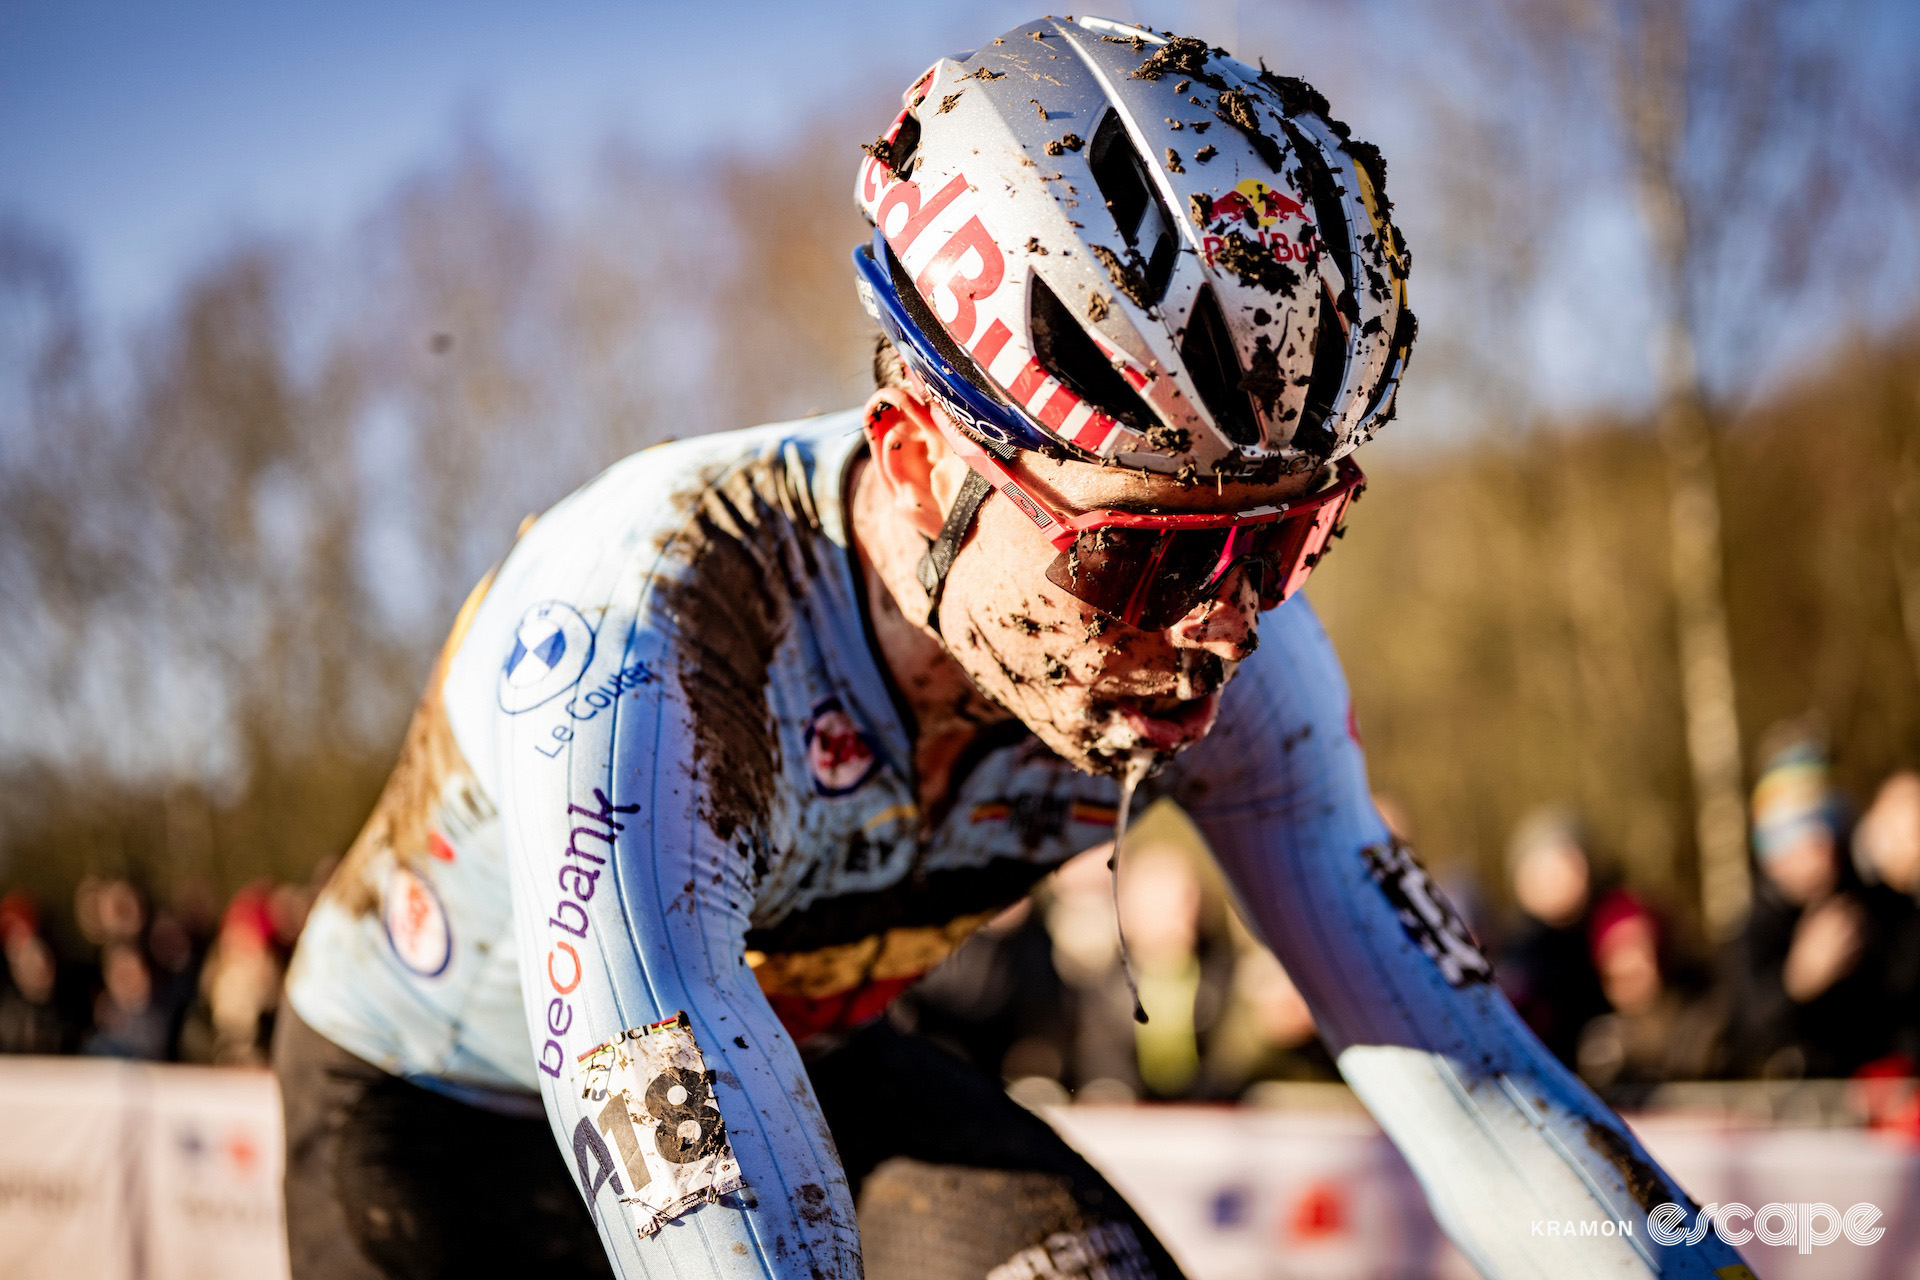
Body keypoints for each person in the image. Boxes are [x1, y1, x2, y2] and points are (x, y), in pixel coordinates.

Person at [275, 18, 1746, 1280]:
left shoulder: (1234, 660)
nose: (1223, 622)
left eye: (1289, 539)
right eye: (1144, 554)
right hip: (432, 1112)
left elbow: (1474, 1079)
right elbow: (693, 1182)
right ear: (922, 463)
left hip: (813, 1067)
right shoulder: (656, 634)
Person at [1721, 733, 1884, 1077]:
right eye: (1799, 834)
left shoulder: (1871, 904)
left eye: (1828, 824)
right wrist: (1798, 981)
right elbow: (1738, 1036)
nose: (1819, 847)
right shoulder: (1751, 930)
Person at [1494, 809, 1609, 1069]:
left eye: (1569, 865)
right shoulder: (1517, 963)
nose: (1561, 880)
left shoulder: (1609, 938)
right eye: (1545, 870)